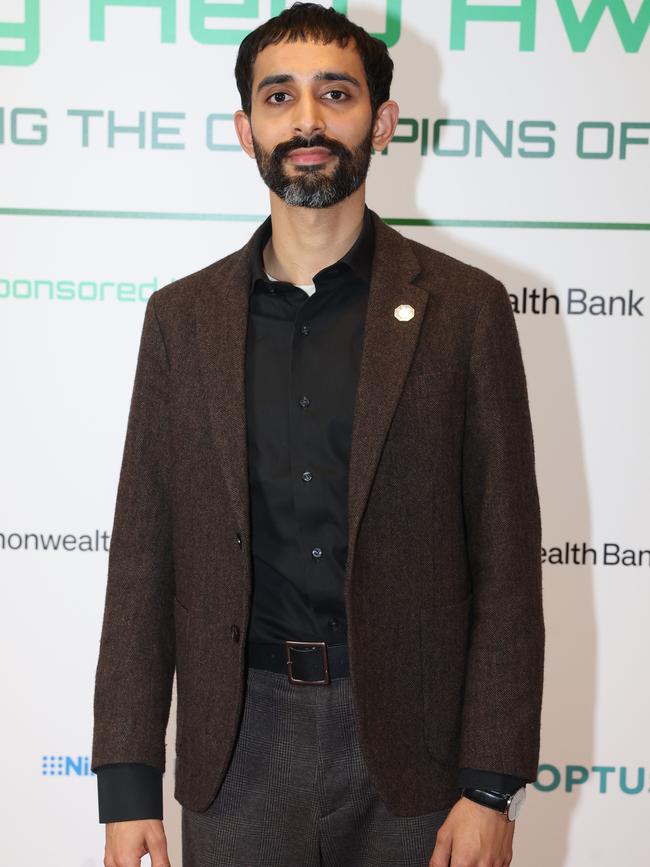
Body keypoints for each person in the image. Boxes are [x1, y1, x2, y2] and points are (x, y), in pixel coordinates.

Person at [91, 4, 545, 866]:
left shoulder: (466, 312)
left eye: (335, 94)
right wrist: (126, 780)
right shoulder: (181, 320)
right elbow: (144, 557)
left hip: (418, 755)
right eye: (279, 97)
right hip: (237, 750)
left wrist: (492, 785)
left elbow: (508, 565)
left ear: (381, 123)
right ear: (245, 128)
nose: (307, 119)